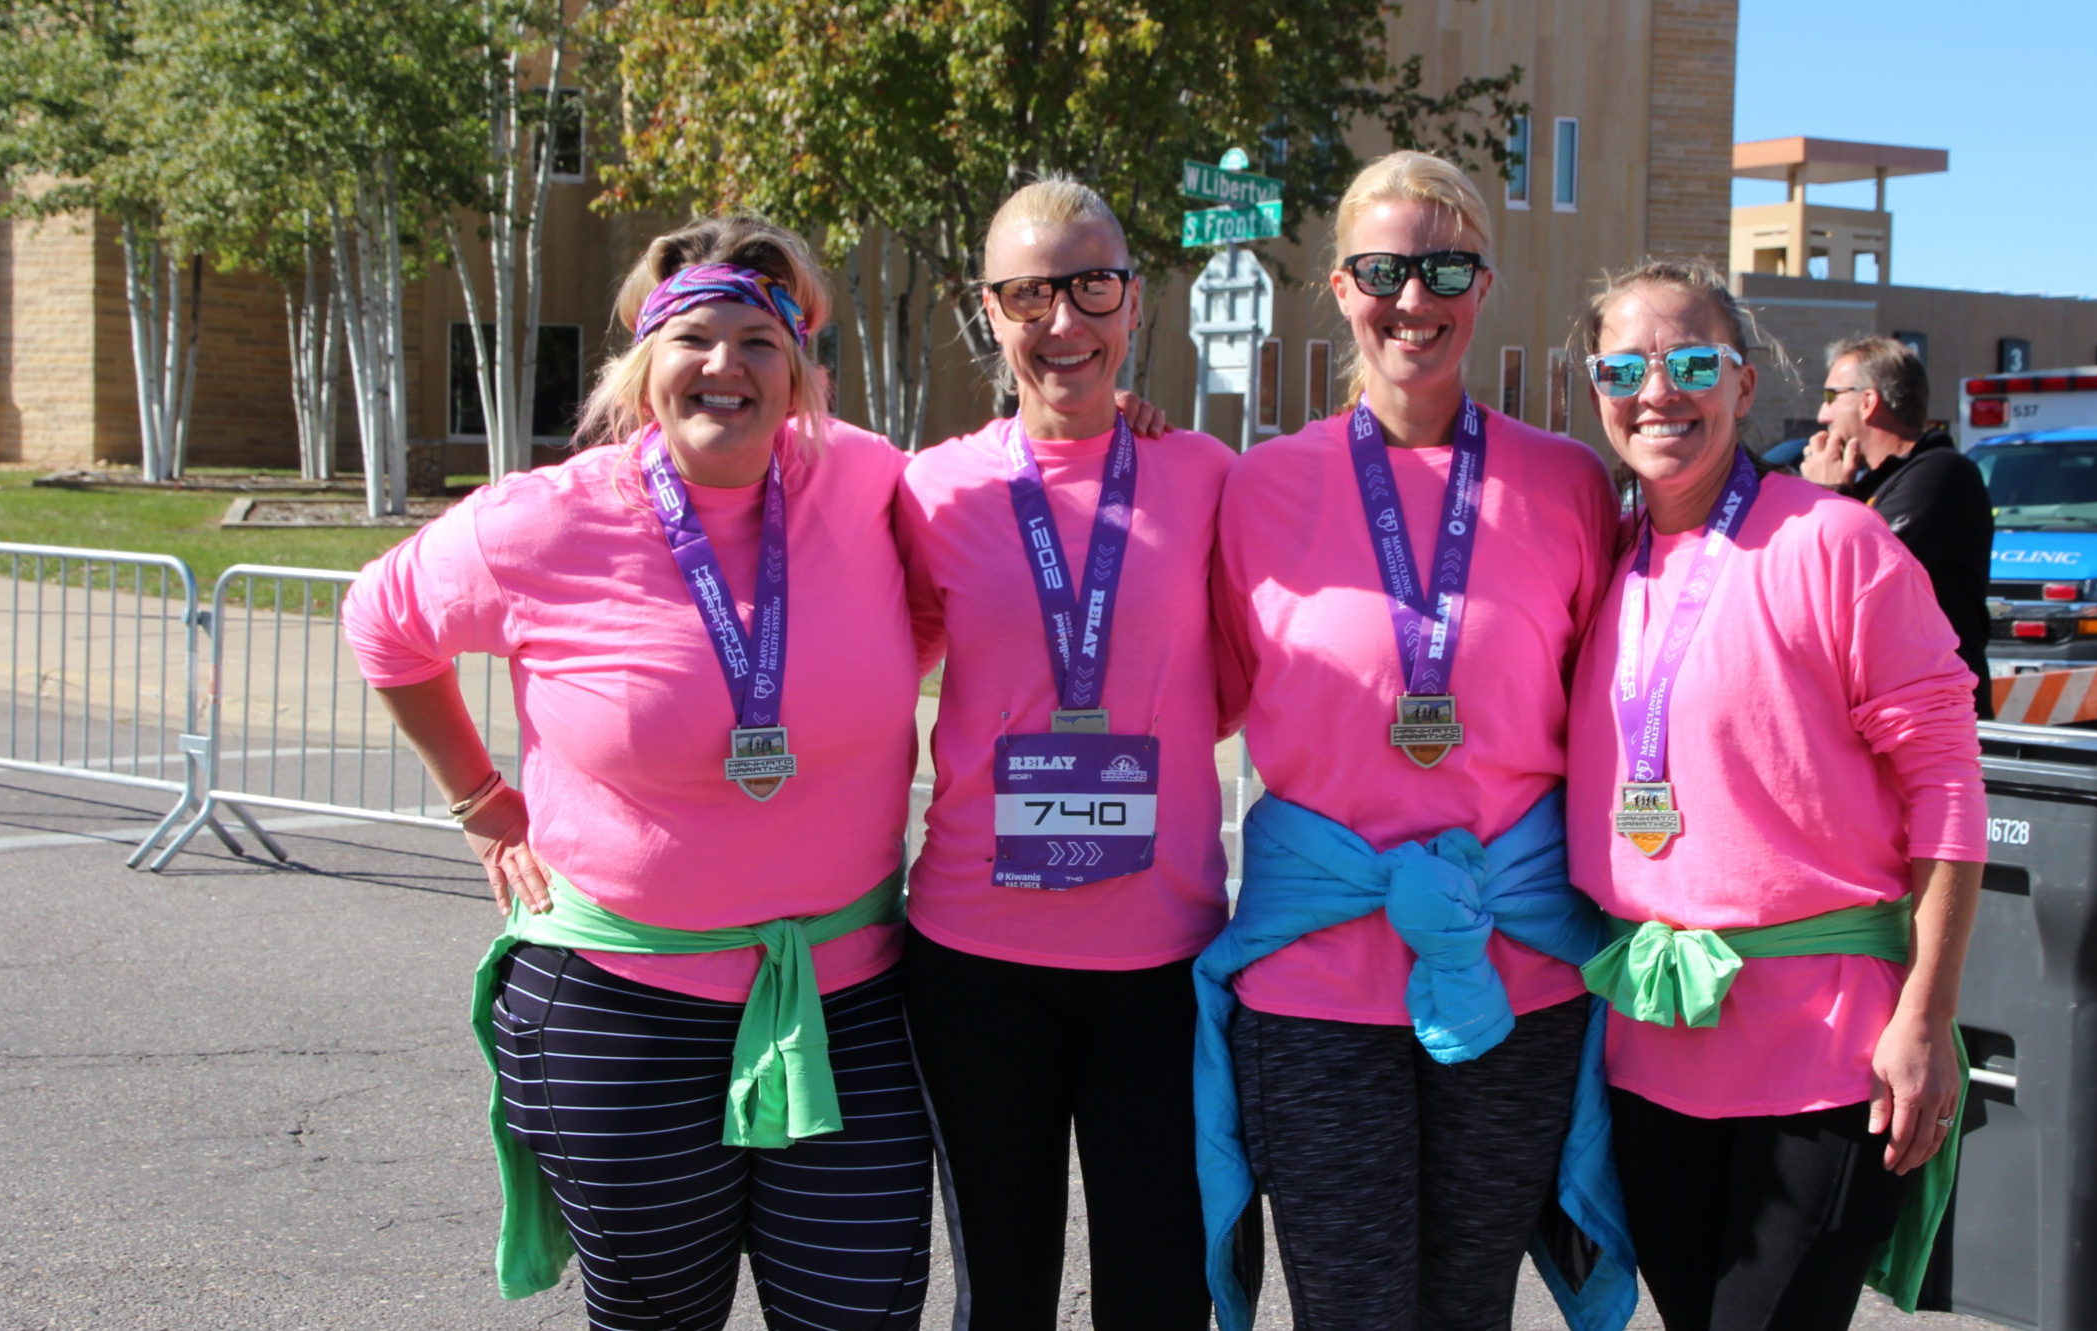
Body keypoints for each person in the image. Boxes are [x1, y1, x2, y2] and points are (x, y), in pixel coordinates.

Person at [342, 217, 931, 1331]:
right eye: (693, 337)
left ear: (799, 369)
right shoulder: (543, 519)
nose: (724, 365)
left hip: (846, 999)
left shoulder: (863, 480)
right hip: (621, 1012)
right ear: (643, 365)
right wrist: (480, 801)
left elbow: (970, 562)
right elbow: (382, 621)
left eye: (759, 340)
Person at [1197, 149, 1635, 1331]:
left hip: (1515, 972)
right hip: (1316, 987)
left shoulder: (1566, 484)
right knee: (1349, 1311)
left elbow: (1618, 712)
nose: (1412, 299)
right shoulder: (1258, 487)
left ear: (1481, 286)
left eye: (1444, 267)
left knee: (1468, 1306)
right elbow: (1199, 696)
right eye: (1383, 269)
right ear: (1338, 286)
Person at [1567, 259, 1986, 1331]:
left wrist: (1927, 1017)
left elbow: (1945, 780)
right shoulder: (1607, 556)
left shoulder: (1832, 541)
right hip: (1652, 1042)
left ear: (1743, 385)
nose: (1657, 389)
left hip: (1825, 1052)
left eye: (1689, 361)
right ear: (1596, 390)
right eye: (1624, 366)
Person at [894, 178, 1231, 1330]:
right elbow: (864, 666)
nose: (1061, 323)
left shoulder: (1204, 477)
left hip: (1157, 962)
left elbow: (1234, 679)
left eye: (1090, 285)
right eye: (1028, 293)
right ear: (986, 311)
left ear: (1133, 301)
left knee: (1157, 1292)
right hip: (975, 956)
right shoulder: (931, 491)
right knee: (1001, 1292)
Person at [1799, 334, 1994, 713]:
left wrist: (1825, 490)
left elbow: (1853, 577)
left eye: (1831, 396)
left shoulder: (1942, 473)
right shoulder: (1872, 482)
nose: (1822, 416)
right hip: (1880, 708)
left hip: (1932, 716)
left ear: (1868, 402)